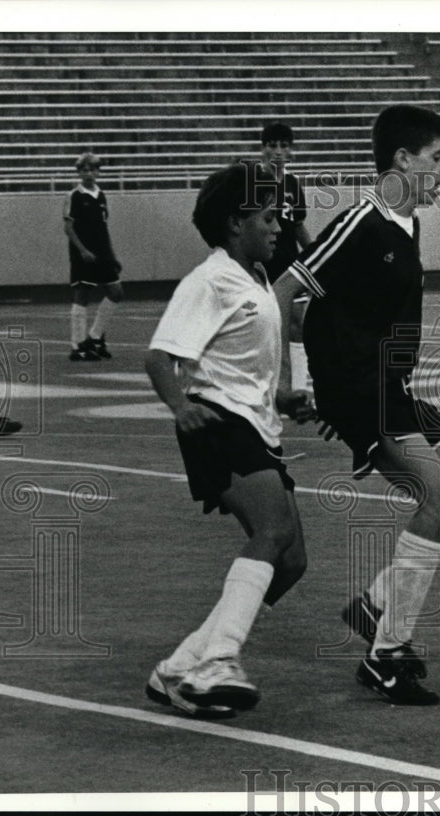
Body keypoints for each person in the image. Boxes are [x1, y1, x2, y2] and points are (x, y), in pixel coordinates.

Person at [273, 105, 440, 706]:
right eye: (438, 158)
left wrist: (329, 337)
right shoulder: (361, 221)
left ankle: (377, 602)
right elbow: (283, 292)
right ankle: (385, 654)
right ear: (402, 161)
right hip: (359, 393)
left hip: (393, 390)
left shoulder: (408, 225)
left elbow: (331, 313)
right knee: (439, 494)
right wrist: (288, 382)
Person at [143, 163, 310, 718]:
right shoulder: (211, 279)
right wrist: (180, 405)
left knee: (290, 563)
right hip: (219, 424)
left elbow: (247, 361)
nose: (279, 228)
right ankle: (219, 660)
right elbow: (160, 354)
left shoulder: (256, 279)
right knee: (275, 528)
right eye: (267, 217)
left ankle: (178, 667)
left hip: (256, 425)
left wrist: (282, 397)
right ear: (235, 223)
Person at [254, 122, 315, 405]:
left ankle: (297, 389)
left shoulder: (292, 184)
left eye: (284, 146)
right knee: (261, 326)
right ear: (263, 148)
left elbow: (299, 226)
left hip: (289, 266)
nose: (278, 152)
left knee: (297, 325)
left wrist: (316, 257)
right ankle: (264, 386)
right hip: (259, 266)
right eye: (272, 145)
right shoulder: (252, 180)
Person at [64, 152, 123, 361]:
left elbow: (103, 228)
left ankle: (94, 337)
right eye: (85, 170)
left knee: (116, 292)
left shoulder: (101, 195)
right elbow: (68, 228)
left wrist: (111, 254)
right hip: (84, 254)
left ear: (98, 172)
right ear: (79, 172)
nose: (89, 173)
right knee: (83, 294)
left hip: (102, 252)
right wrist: (82, 250)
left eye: (93, 169)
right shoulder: (74, 196)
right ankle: (77, 346)